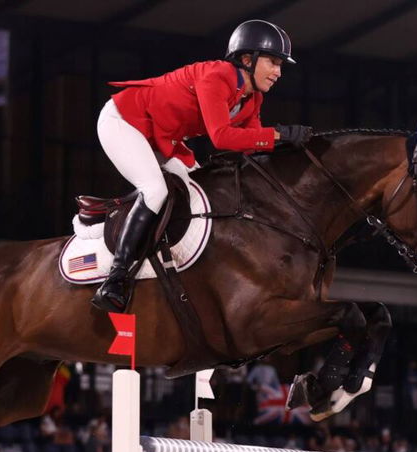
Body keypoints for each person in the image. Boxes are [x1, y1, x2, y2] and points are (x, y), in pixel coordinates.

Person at [91, 20, 312, 312]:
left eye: (281, 66)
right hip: (125, 120)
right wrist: (278, 135)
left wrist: (287, 145)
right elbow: (221, 137)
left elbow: (249, 145)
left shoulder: (252, 98)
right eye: (273, 62)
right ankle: (116, 278)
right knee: (155, 190)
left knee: (200, 190)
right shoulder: (217, 75)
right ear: (247, 59)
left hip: (162, 137)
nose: (278, 73)